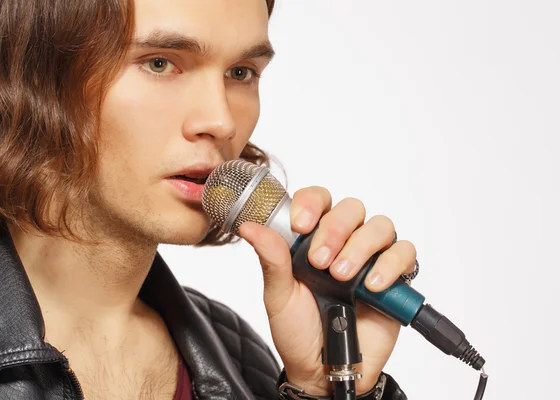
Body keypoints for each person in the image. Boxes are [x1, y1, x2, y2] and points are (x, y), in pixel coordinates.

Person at [0, 0, 418, 398]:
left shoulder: (238, 358)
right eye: (160, 63)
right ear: (37, 76)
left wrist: (329, 388)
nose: (221, 121)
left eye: (241, 72)